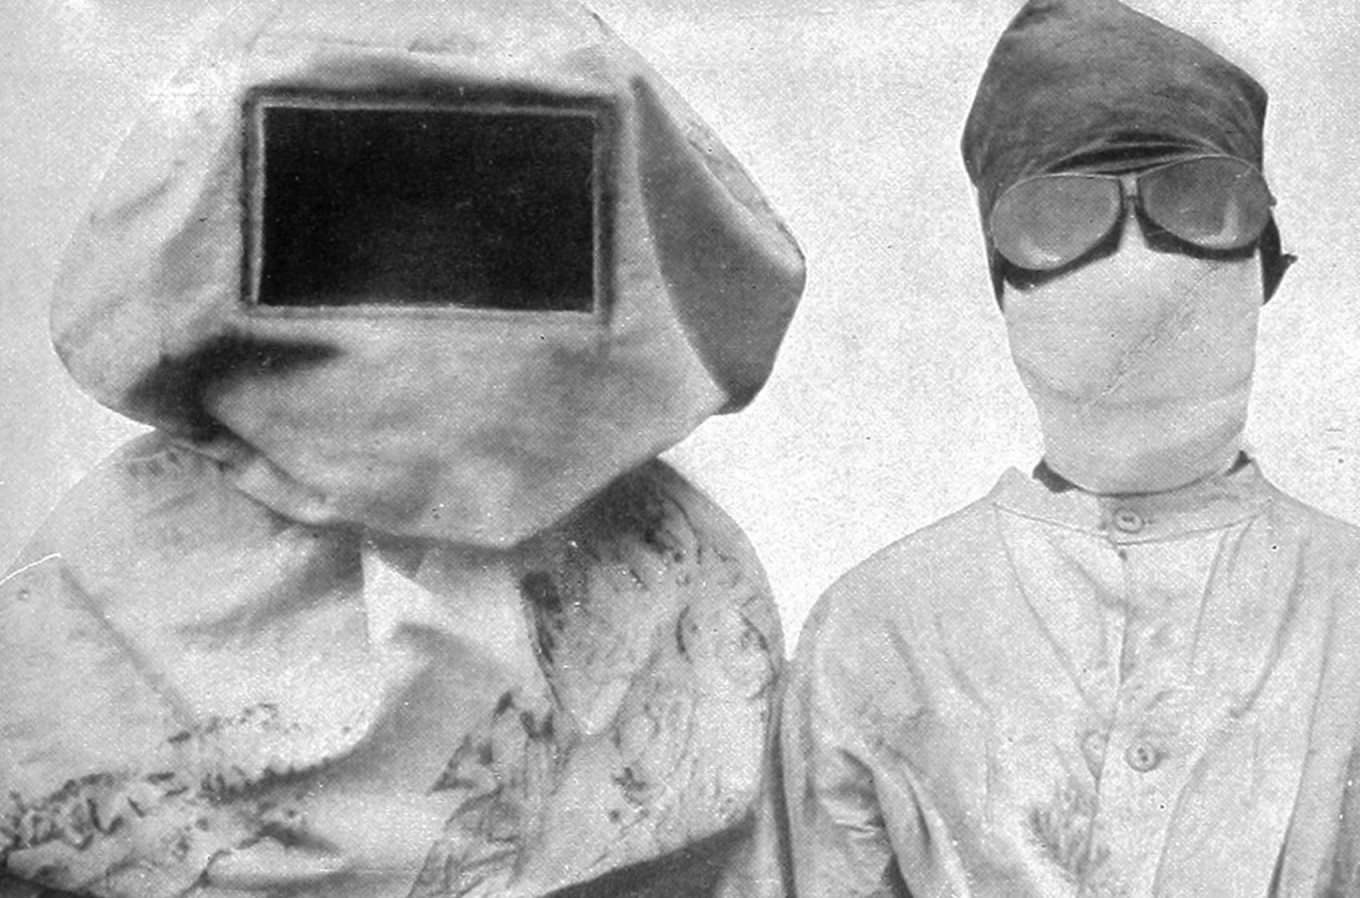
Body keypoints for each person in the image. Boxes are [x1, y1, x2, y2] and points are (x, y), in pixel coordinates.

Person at [0, 0, 805, 895]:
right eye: (350, 207)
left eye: (501, 203)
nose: (424, 269)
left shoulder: (686, 579)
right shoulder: (96, 576)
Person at [782, 0, 1360, 894]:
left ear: (1264, 261)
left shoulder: (1347, 609)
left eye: (1198, 205)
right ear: (1005, 283)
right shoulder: (878, 633)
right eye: (1059, 221)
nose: (1138, 266)